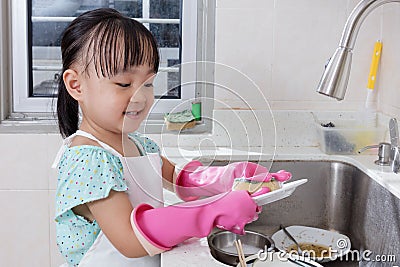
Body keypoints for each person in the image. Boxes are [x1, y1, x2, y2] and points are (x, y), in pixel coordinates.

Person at [53, 8, 291, 267]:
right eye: (124, 84)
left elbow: (180, 179)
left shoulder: (139, 145)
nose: (141, 97)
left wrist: (228, 178)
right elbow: (131, 239)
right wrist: (211, 211)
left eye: (148, 84)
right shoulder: (88, 160)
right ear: (76, 85)